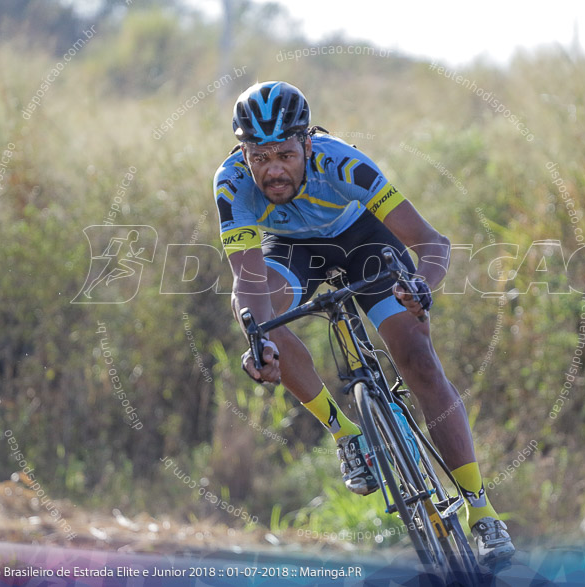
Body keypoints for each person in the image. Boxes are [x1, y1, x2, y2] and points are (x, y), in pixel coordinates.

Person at [213, 80, 515, 565]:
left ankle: (482, 512)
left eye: (285, 155)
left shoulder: (343, 164)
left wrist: (421, 287)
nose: (272, 170)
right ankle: (344, 433)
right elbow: (247, 278)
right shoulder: (231, 182)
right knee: (257, 314)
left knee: (417, 358)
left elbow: (432, 243)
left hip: (364, 241)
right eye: (260, 156)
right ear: (242, 151)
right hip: (293, 250)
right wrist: (257, 337)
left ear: (307, 144)